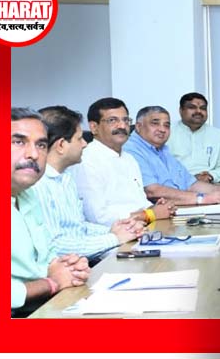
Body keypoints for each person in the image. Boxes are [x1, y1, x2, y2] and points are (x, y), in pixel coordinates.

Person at [31, 106, 145, 257]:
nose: (85, 144)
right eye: (79, 139)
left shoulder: (66, 177)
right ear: (61, 145)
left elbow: (78, 227)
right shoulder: (38, 184)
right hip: (67, 264)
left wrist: (116, 229)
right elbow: (55, 246)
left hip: (81, 260)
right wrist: (114, 238)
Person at [11, 108, 90, 314]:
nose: (34, 154)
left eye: (41, 145)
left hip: (44, 305)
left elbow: (46, 255)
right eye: (18, 142)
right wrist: (52, 282)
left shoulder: (28, 194)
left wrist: (64, 266)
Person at [71, 98, 174, 225]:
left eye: (125, 120)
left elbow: (139, 202)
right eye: (112, 120)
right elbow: (97, 217)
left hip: (143, 227)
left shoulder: (129, 158)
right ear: (94, 127)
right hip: (113, 234)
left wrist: (157, 207)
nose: (122, 126)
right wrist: (149, 214)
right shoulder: (86, 160)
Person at [123, 106, 220, 205]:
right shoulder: (130, 150)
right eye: (155, 123)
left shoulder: (163, 150)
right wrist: (201, 198)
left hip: (176, 207)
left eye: (167, 125)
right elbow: (152, 191)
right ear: (138, 126)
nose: (162, 129)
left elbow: (191, 184)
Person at [167, 92, 220, 183]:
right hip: (174, 183)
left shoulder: (219, 135)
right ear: (181, 110)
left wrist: (210, 176)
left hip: (208, 184)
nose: (198, 111)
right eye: (192, 107)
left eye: (203, 108)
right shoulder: (167, 132)